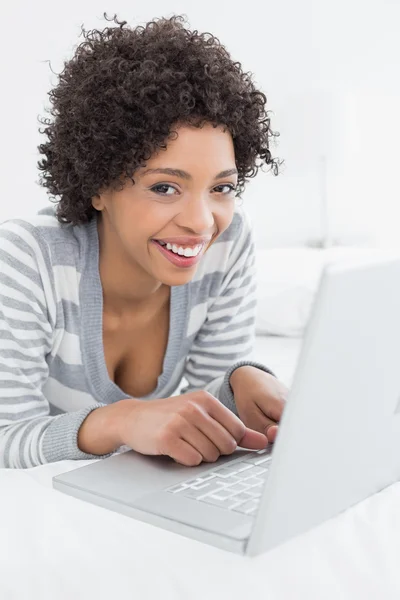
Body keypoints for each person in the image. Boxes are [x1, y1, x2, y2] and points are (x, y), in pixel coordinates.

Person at [0, 15, 287, 469]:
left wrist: (238, 383)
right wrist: (122, 420)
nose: (201, 222)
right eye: (164, 187)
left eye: (222, 188)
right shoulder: (27, 258)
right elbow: (4, 438)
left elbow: (201, 409)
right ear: (98, 184)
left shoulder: (228, 242)